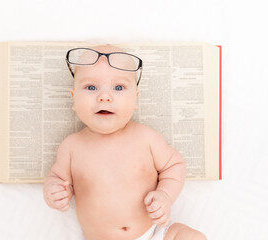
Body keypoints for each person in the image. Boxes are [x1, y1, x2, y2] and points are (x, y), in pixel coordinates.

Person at [43, 45, 206, 240]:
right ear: (74, 98)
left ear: (135, 98)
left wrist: (165, 196)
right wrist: (54, 193)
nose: (104, 96)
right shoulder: (71, 147)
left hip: (154, 233)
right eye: (91, 87)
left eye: (119, 87)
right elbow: (58, 179)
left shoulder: (146, 138)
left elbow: (174, 165)